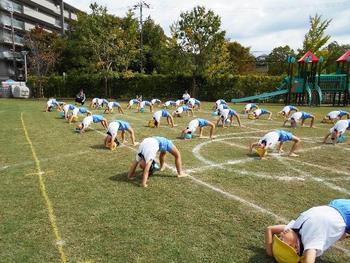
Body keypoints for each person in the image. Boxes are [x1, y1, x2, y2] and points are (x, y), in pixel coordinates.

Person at [265, 199, 350, 263]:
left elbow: (270, 229)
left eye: (279, 238)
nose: (281, 235)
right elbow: (309, 259)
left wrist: (270, 253)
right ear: (295, 248)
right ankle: (342, 234)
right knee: (338, 233)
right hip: (342, 211)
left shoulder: (293, 228)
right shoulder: (310, 241)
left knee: (337, 232)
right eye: (282, 240)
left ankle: (342, 233)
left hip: (337, 207)